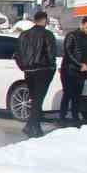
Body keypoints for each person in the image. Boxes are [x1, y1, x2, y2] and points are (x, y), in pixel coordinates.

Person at [13, 10, 57, 138]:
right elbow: (51, 54)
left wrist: (23, 67)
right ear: (44, 20)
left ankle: (33, 126)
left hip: (28, 71)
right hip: (43, 71)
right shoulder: (47, 34)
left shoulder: (23, 35)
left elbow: (17, 55)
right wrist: (52, 66)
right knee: (38, 100)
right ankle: (32, 127)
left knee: (35, 99)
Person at [58, 16, 87, 125]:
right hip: (69, 70)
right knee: (68, 94)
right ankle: (62, 117)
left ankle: (75, 116)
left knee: (77, 96)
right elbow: (68, 53)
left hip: (82, 71)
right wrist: (80, 65)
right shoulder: (72, 35)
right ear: (82, 24)